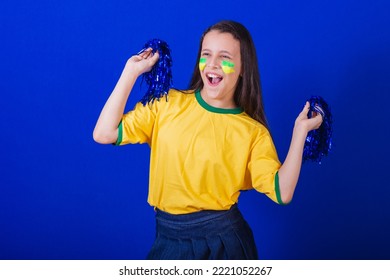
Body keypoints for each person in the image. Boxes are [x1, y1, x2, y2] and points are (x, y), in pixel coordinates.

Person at [93, 20, 323, 260]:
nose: (212, 65)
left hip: (225, 246)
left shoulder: (252, 133)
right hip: (168, 238)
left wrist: (300, 132)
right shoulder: (165, 104)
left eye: (224, 57)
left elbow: (282, 192)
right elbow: (104, 133)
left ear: (243, 67)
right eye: (206, 54)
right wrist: (130, 72)